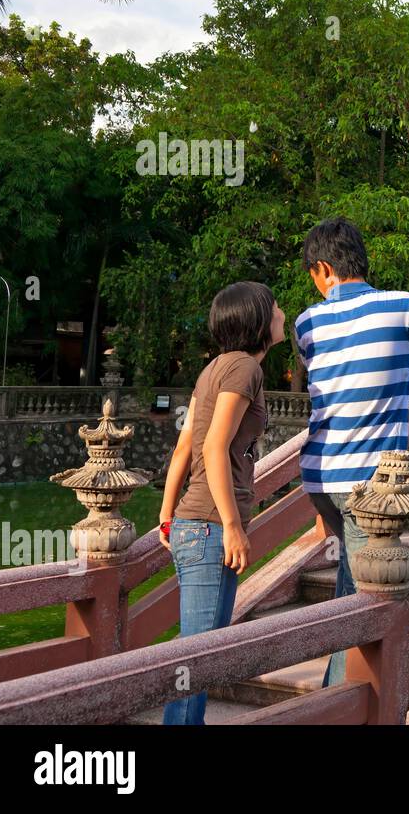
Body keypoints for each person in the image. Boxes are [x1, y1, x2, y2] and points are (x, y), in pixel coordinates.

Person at [295, 217, 409, 686]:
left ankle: (334, 694)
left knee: (351, 579)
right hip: (371, 487)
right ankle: (347, 704)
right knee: (370, 599)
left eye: (311, 276)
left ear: (323, 270)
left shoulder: (306, 323)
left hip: (320, 479)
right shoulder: (405, 307)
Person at [158, 281, 284, 725]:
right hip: (211, 528)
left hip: (193, 523)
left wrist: (165, 512)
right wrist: (232, 525)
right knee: (199, 660)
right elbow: (211, 447)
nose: (282, 313)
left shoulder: (213, 368)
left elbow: (183, 447)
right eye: (275, 308)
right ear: (258, 321)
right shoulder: (246, 369)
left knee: (196, 653)